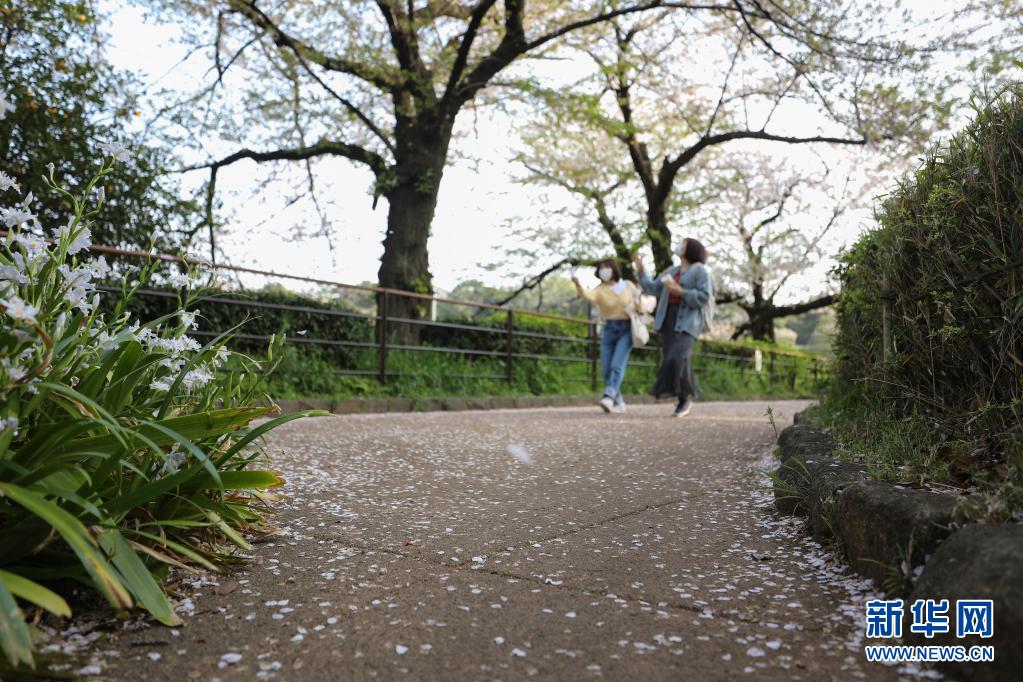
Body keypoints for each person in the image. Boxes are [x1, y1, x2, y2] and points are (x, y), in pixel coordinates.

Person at [634, 238, 712, 418]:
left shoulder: (700, 270)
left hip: (689, 321)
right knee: (676, 359)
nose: (679, 246)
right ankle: (684, 398)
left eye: (683, 244)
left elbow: (704, 296)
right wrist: (641, 271)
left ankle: (684, 396)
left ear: (691, 249)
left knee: (677, 358)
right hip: (668, 320)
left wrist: (681, 292)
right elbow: (652, 288)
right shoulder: (671, 271)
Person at [572, 259, 638, 413]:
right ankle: (619, 402)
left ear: (614, 269)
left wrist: (637, 305)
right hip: (609, 328)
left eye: (607, 268)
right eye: (601, 268)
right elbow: (588, 295)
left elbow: (639, 302)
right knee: (606, 368)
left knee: (616, 365)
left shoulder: (627, 286)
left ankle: (608, 396)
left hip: (626, 328)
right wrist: (578, 285)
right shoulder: (600, 290)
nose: (604, 271)